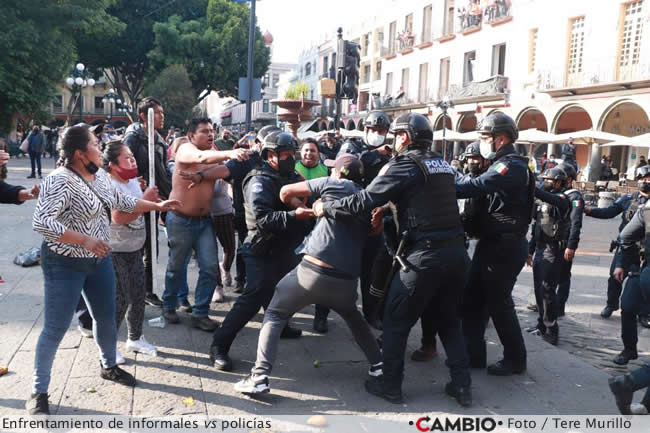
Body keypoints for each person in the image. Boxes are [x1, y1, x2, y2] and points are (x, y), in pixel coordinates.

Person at [314, 113, 473, 407]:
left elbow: (364, 200)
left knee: (396, 321)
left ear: (405, 137)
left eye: (397, 135)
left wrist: (328, 207)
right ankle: (462, 386)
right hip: (456, 255)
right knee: (449, 320)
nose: (394, 141)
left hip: (424, 257)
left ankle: (390, 386)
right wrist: (390, 208)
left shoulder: (404, 165)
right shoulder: (442, 164)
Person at [28, 125, 179, 415]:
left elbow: (123, 202)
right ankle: (39, 390)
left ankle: (108, 366)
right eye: (96, 143)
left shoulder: (98, 178)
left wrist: (158, 205)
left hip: (98, 262)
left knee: (106, 318)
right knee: (55, 328)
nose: (101, 147)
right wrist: (84, 239)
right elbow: (42, 223)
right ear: (79, 153)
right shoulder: (59, 181)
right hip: (64, 263)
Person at [234, 154, 383, 395]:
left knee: (274, 312)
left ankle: (259, 376)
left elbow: (285, 192)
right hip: (346, 280)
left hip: (313, 271)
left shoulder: (330, 183)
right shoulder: (366, 199)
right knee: (354, 319)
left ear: (338, 172)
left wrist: (310, 210)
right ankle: (378, 366)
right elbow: (373, 235)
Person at [209, 132, 312, 372]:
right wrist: (294, 215)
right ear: (270, 155)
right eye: (286, 154)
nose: (290, 158)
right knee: (252, 298)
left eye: (292, 154)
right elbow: (264, 218)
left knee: (284, 290)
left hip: (285, 247)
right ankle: (219, 346)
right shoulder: (259, 180)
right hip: (261, 248)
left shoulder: (290, 176)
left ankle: (281, 325)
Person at [455, 112, 535, 376]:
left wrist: (445, 179)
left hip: (504, 247)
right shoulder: (501, 163)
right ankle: (473, 355)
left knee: (499, 304)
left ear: (500, 139)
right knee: (471, 299)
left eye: (484, 137)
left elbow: (476, 186)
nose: (481, 142)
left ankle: (515, 359)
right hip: (492, 244)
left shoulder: (510, 166)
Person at [162, 118, 248, 331]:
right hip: (180, 219)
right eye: (204, 131)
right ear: (191, 135)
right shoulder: (185, 149)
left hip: (204, 222)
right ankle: (169, 305)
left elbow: (223, 171)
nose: (210, 134)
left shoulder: (213, 153)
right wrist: (230, 153)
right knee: (176, 267)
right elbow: (200, 156)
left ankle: (200, 313)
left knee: (210, 267)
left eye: (211, 131)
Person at [102, 140, 158, 364]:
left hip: (135, 247)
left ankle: (135, 338)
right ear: (112, 165)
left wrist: (147, 199)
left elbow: (138, 204)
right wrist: (147, 201)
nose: (133, 160)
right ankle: (108, 348)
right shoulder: (109, 185)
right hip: (115, 250)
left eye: (132, 156)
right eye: (127, 158)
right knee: (120, 299)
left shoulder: (133, 180)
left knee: (137, 295)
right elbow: (119, 217)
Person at [336, 111, 393, 328]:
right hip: (350, 217)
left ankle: (372, 314)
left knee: (372, 272)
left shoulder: (389, 154)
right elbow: (344, 165)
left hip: (376, 219)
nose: (377, 135)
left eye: (381, 132)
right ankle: (323, 314)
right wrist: (375, 154)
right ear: (366, 131)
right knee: (339, 267)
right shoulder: (352, 147)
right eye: (373, 131)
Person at [585, 167, 650, 326]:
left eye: (648, 178)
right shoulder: (629, 198)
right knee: (615, 278)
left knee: (643, 282)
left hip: (645, 249)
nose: (645, 181)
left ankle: (643, 313)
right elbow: (610, 211)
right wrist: (589, 211)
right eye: (643, 178)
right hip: (625, 247)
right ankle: (611, 304)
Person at [123, 97, 172, 308]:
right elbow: (121, 165)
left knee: (152, 246)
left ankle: (147, 289)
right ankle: (135, 291)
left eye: (162, 112)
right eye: (158, 113)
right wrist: (135, 181)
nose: (162, 117)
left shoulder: (158, 138)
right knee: (140, 246)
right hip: (138, 200)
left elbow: (162, 169)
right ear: (144, 116)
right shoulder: (134, 137)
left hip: (156, 199)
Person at [609, 165, 650, 366]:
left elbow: (624, 238)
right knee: (628, 306)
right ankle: (629, 349)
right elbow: (624, 237)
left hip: (641, 267)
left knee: (629, 306)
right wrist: (623, 263)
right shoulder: (643, 208)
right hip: (641, 267)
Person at [526, 168, 572, 345]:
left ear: (559, 182)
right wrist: (530, 250)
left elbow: (550, 198)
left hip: (553, 250)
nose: (546, 181)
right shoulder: (540, 201)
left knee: (547, 290)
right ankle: (541, 324)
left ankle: (552, 327)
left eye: (549, 179)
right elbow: (536, 227)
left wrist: (532, 187)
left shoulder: (562, 199)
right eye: (544, 178)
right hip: (540, 248)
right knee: (539, 289)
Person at [554, 163, 584, 317]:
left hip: (565, 243)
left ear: (569, 179)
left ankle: (559, 306)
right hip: (553, 241)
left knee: (564, 275)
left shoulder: (575, 197)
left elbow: (576, 223)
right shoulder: (558, 193)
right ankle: (548, 302)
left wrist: (571, 246)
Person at [210, 178, 236, 302]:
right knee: (210, 252)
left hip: (224, 213)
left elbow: (232, 184)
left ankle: (225, 268)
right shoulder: (199, 165)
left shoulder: (223, 166)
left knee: (230, 248)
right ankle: (217, 286)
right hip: (205, 214)